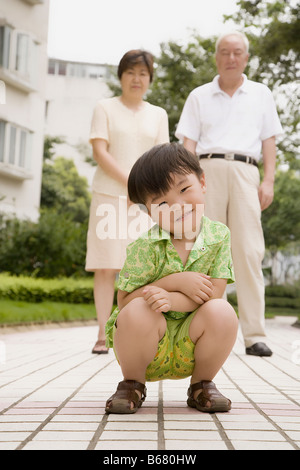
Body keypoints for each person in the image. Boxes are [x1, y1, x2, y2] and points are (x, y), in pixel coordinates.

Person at [105, 143, 238, 414]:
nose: (177, 206)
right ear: (148, 210)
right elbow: (124, 300)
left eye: (184, 189)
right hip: (146, 347)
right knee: (136, 310)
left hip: (193, 343)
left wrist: (173, 300)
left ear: (202, 182)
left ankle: (202, 384)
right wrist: (172, 282)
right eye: (162, 202)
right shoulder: (145, 246)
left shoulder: (218, 236)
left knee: (222, 312)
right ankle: (132, 384)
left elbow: (215, 292)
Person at [175, 31, 283, 357]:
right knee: (204, 250)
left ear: (246, 58)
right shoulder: (198, 96)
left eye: (237, 52)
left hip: (247, 173)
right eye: (225, 52)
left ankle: (254, 335)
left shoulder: (261, 94)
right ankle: (206, 329)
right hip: (205, 173)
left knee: (249, 251)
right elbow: (188, 145)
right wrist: (187, 185)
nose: (231, 58)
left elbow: (269, 142)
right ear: (216, 57)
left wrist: (269, 181)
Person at [86, 50, 169, 354]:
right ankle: (100, 332)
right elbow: (100, 151)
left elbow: (161, 158)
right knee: (106, 266)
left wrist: (147, 194)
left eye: (143, 74)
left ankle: (132, 330)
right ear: (121, 76)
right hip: (109, 196)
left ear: (149, 79)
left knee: (143, 267)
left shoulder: (158, 114)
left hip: (144, 203)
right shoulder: (104, 107)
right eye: (131, 72)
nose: (137, 79)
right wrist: (130, 183)